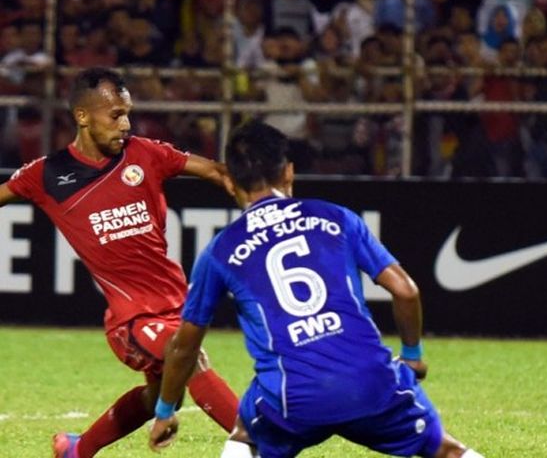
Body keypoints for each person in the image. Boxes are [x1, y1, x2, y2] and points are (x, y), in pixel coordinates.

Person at [148, 120, 485, 458]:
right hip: (369, 381)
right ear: (289, 172)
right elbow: (406, 291)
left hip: (292, 397)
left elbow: (185, 344)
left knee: (246, 433)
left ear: (231, 181)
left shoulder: (220, 250)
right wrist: (412, 357)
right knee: (445, 450)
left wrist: (164, 412)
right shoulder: (337, 218)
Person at [0, 67, 239, 458]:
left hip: (177, 305)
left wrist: (261, 199)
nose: (125, 124)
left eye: (128, 114)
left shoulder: (146, 154)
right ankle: (261, 444)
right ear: (82, 116)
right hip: (132, 320)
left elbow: (215, 170)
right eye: (115, 115)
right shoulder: (47, 174)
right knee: (188, 357)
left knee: (159, 398)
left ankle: (77, 450)